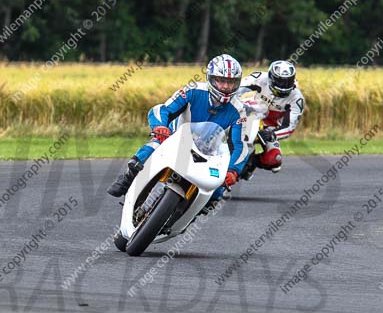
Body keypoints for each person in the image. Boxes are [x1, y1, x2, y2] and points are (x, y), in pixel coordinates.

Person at [106, 54, 249, 212]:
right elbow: (162, 109)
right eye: (221, 80)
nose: (226, 86)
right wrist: (160, 126)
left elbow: (240, 144)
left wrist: (233, 170)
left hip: (207, 153)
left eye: (231, 82)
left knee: (217, 192)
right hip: (175, 139)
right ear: (211, 79)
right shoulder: (193, 90)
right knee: (154, 146)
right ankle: (128, 177)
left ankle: (193, 214)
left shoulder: (239, 110)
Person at [237, 60, 304, 177]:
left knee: (275, 159)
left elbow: (289, 127)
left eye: (287, 81)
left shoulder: (297, 99)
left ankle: (251, 163)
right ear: (271, 78)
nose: (283, 85)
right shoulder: (260, 78)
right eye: (280, 81)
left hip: (269, 129)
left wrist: (272, 134)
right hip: (250, 115)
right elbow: (237, 89)